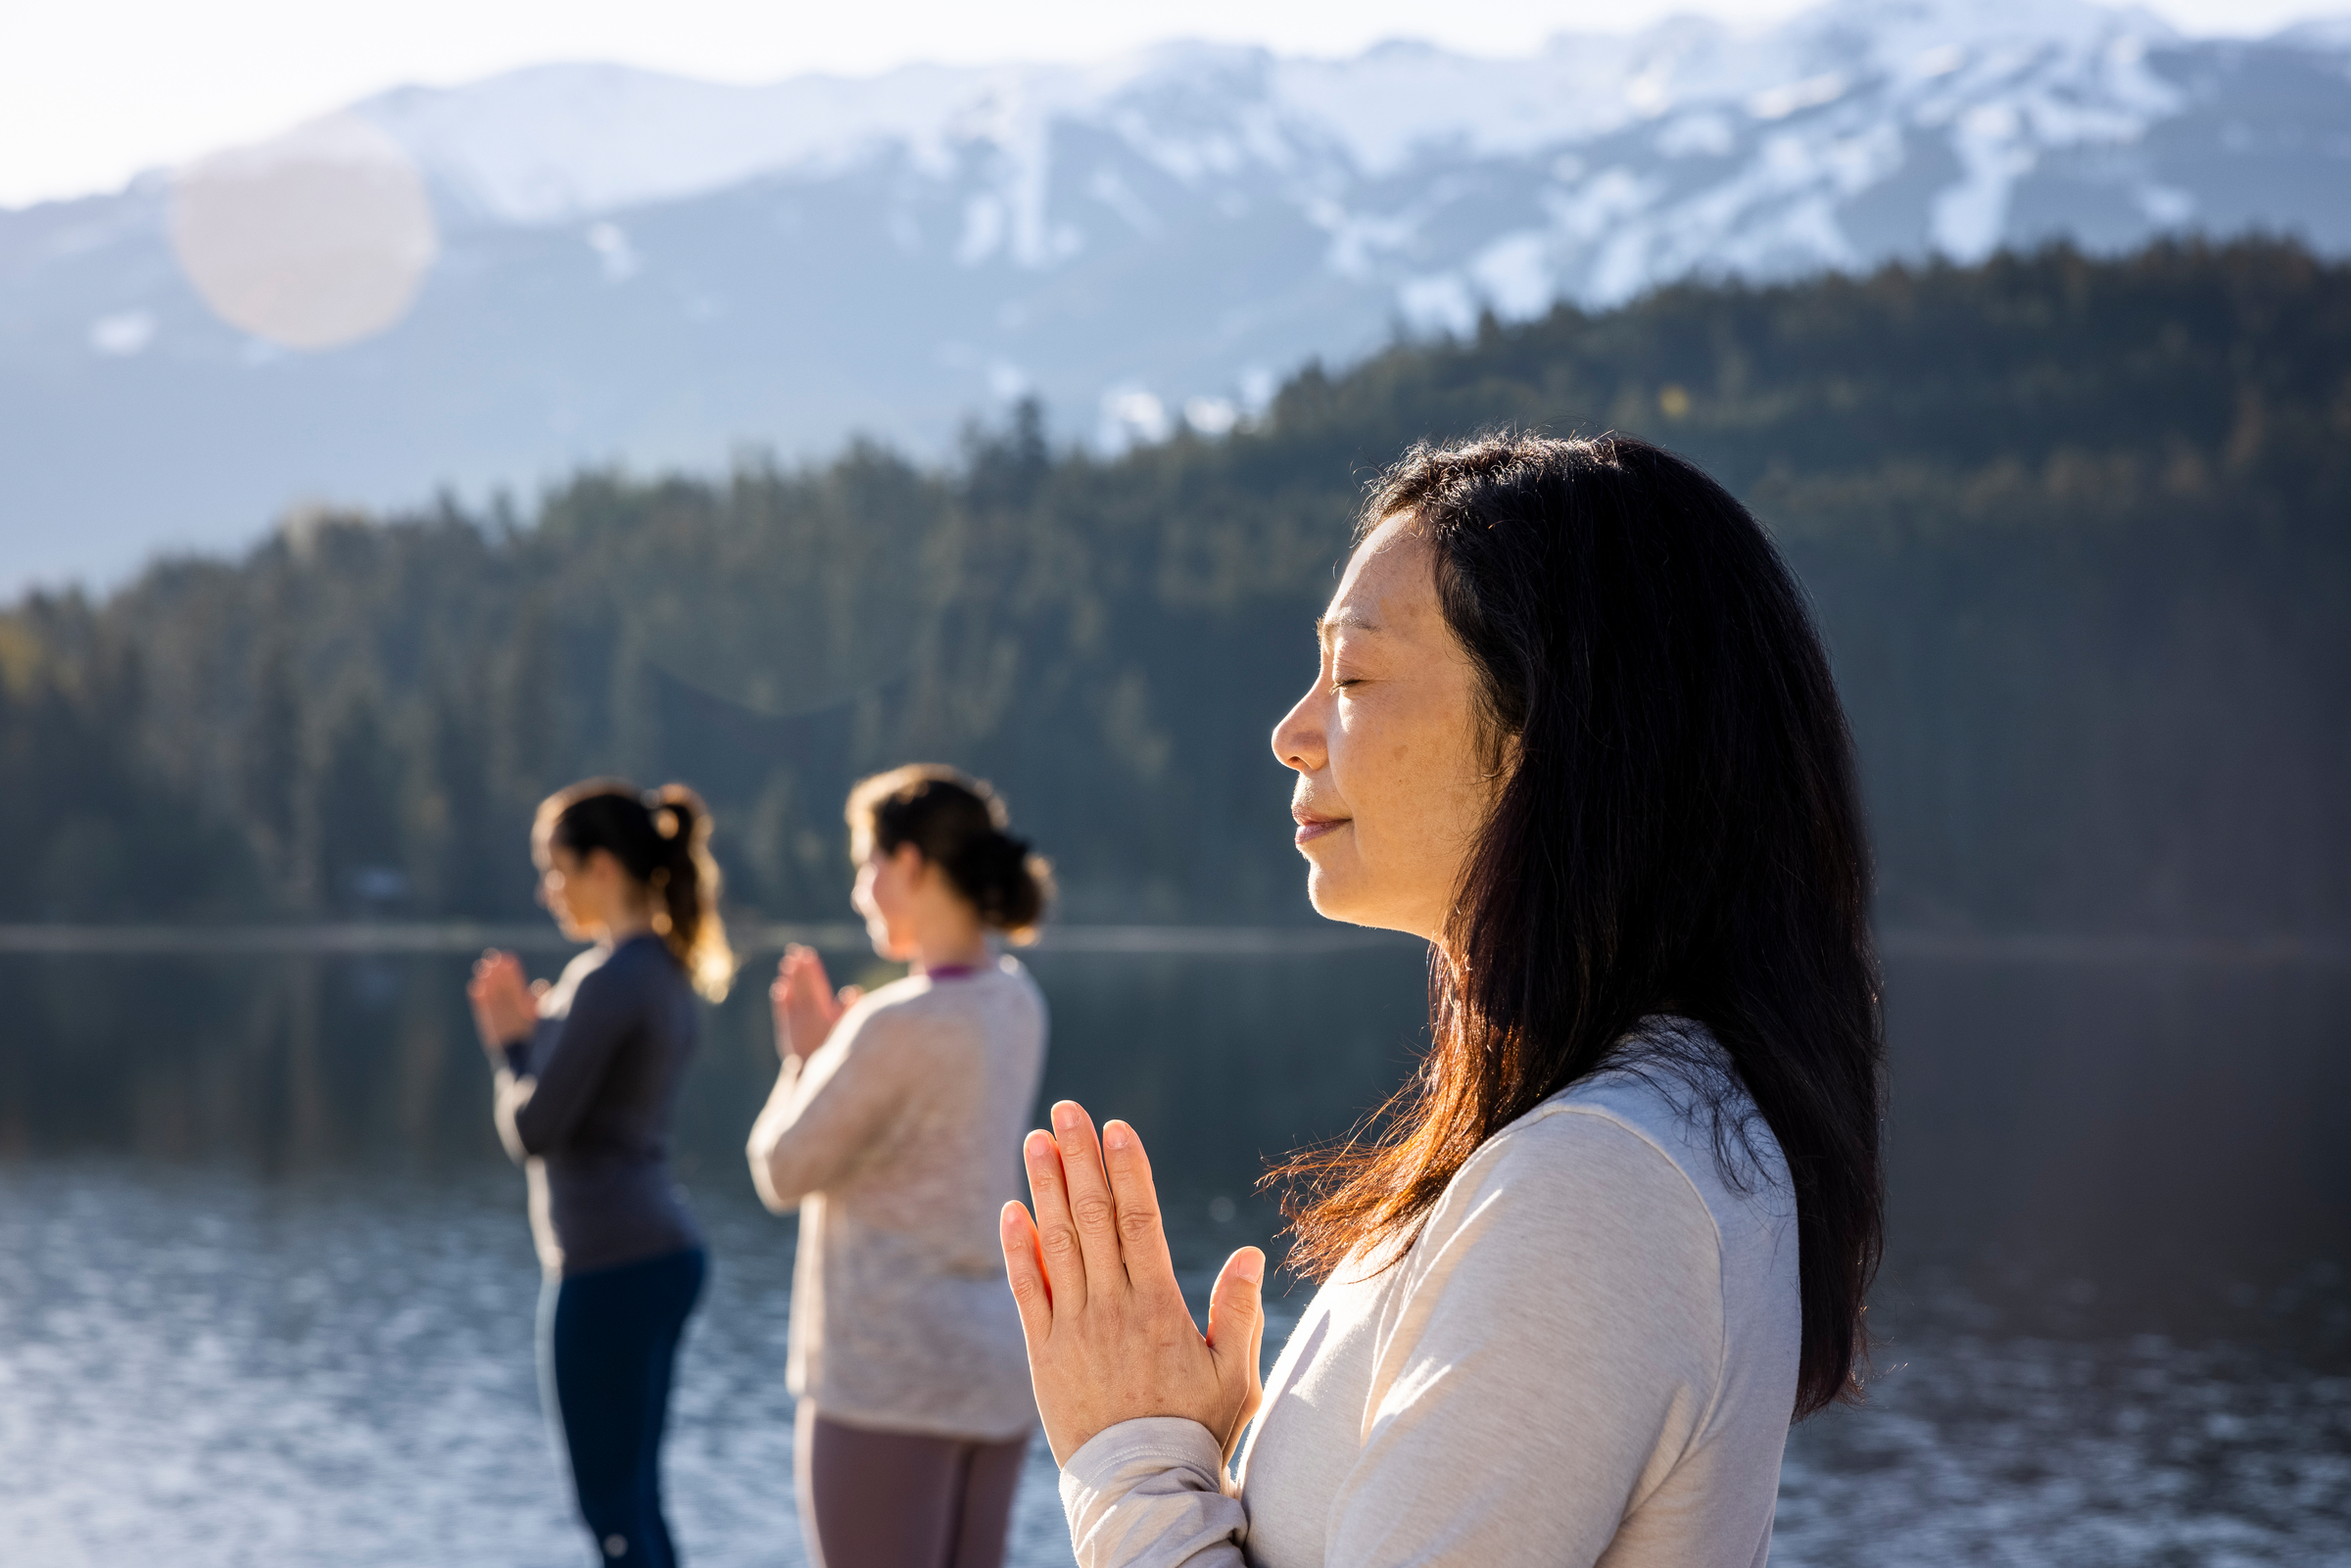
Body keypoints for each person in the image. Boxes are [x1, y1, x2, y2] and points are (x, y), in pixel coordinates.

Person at [1000, 432, 1887, 1566]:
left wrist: (1129, 1462)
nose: (1291, 733)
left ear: (1552, 736)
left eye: (1355, 677)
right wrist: (1221, 1463)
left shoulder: (1598, 1185)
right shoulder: (1620, 1130)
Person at [746, 765, 1054, 1568]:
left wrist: (804, 1060)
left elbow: (780, 1168)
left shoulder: (890, 1024)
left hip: (885, 1374)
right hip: (992, 1371)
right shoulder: (1017, 1000)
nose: (860, 890)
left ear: (910, 865)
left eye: (866, 864)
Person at [467, 779, 735, 1568]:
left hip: (609, 1266)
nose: (549, 891)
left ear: (603, 868)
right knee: (636, 1499)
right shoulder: (657, 971)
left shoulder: (610, 977)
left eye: (557, 870)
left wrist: (510, 1043)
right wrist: (545, 1033)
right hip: (655, 1253)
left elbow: (534, 1128)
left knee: (610, 1505)